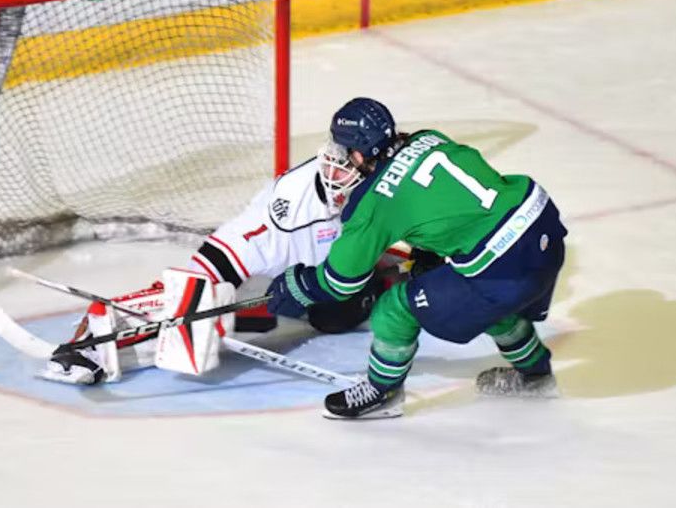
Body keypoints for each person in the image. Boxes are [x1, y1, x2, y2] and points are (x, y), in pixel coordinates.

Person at [266, 97, 568, 419]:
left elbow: (340, 282)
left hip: (502, 267)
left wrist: (297, 286)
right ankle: (536, 376)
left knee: (393, 310)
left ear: (359, 153)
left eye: (342, 151)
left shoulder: (372, 205)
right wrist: (428, 252)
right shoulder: (427, 138)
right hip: (541, 227)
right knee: (490, 306)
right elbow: (446, 200)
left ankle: (383, 393)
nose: (336, 158)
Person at [44, 141, 396, 385]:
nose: (336, 176)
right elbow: (204, 275)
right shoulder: (283, 213)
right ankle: (90, 338)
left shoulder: (375, 186)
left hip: (310, 268)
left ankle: (227, 316)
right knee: (199, 295)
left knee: (332, 315)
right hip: (267, 251)